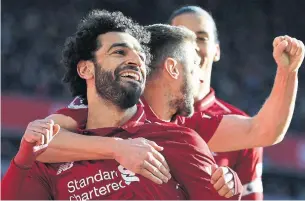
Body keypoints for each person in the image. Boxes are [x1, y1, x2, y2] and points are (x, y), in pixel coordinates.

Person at [1, 10, 243, 200]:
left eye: (140, 56)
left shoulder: (179, 141)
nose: (135, 60)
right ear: (86, 68)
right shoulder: (55, 151)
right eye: (119, 52)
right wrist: (23, 160)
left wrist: (231, 189)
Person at [169, 6, 264, 199]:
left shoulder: (242, 127)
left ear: (217, 51)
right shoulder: (138, 114)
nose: (193, 46)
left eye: (201, 38)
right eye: (182, 37)